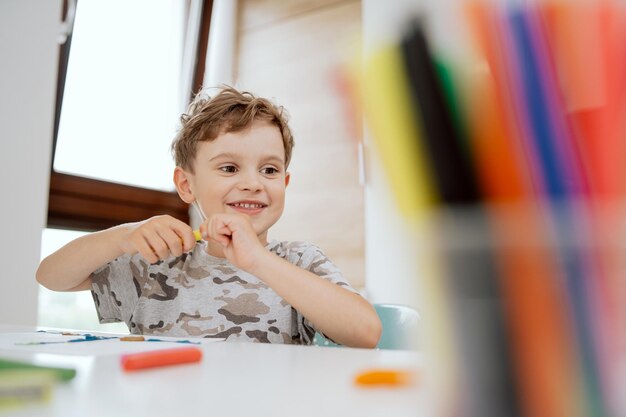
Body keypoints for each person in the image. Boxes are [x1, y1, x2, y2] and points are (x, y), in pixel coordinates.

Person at [37, 86, 382, 348]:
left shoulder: (298, 262)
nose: (252, 184)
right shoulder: (158, 265)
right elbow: (51, 276)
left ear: (285, 183)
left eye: (270, 170)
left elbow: (365, 332)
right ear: (186, 185)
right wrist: (123, 236)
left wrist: (258, 261)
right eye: (229, 168)